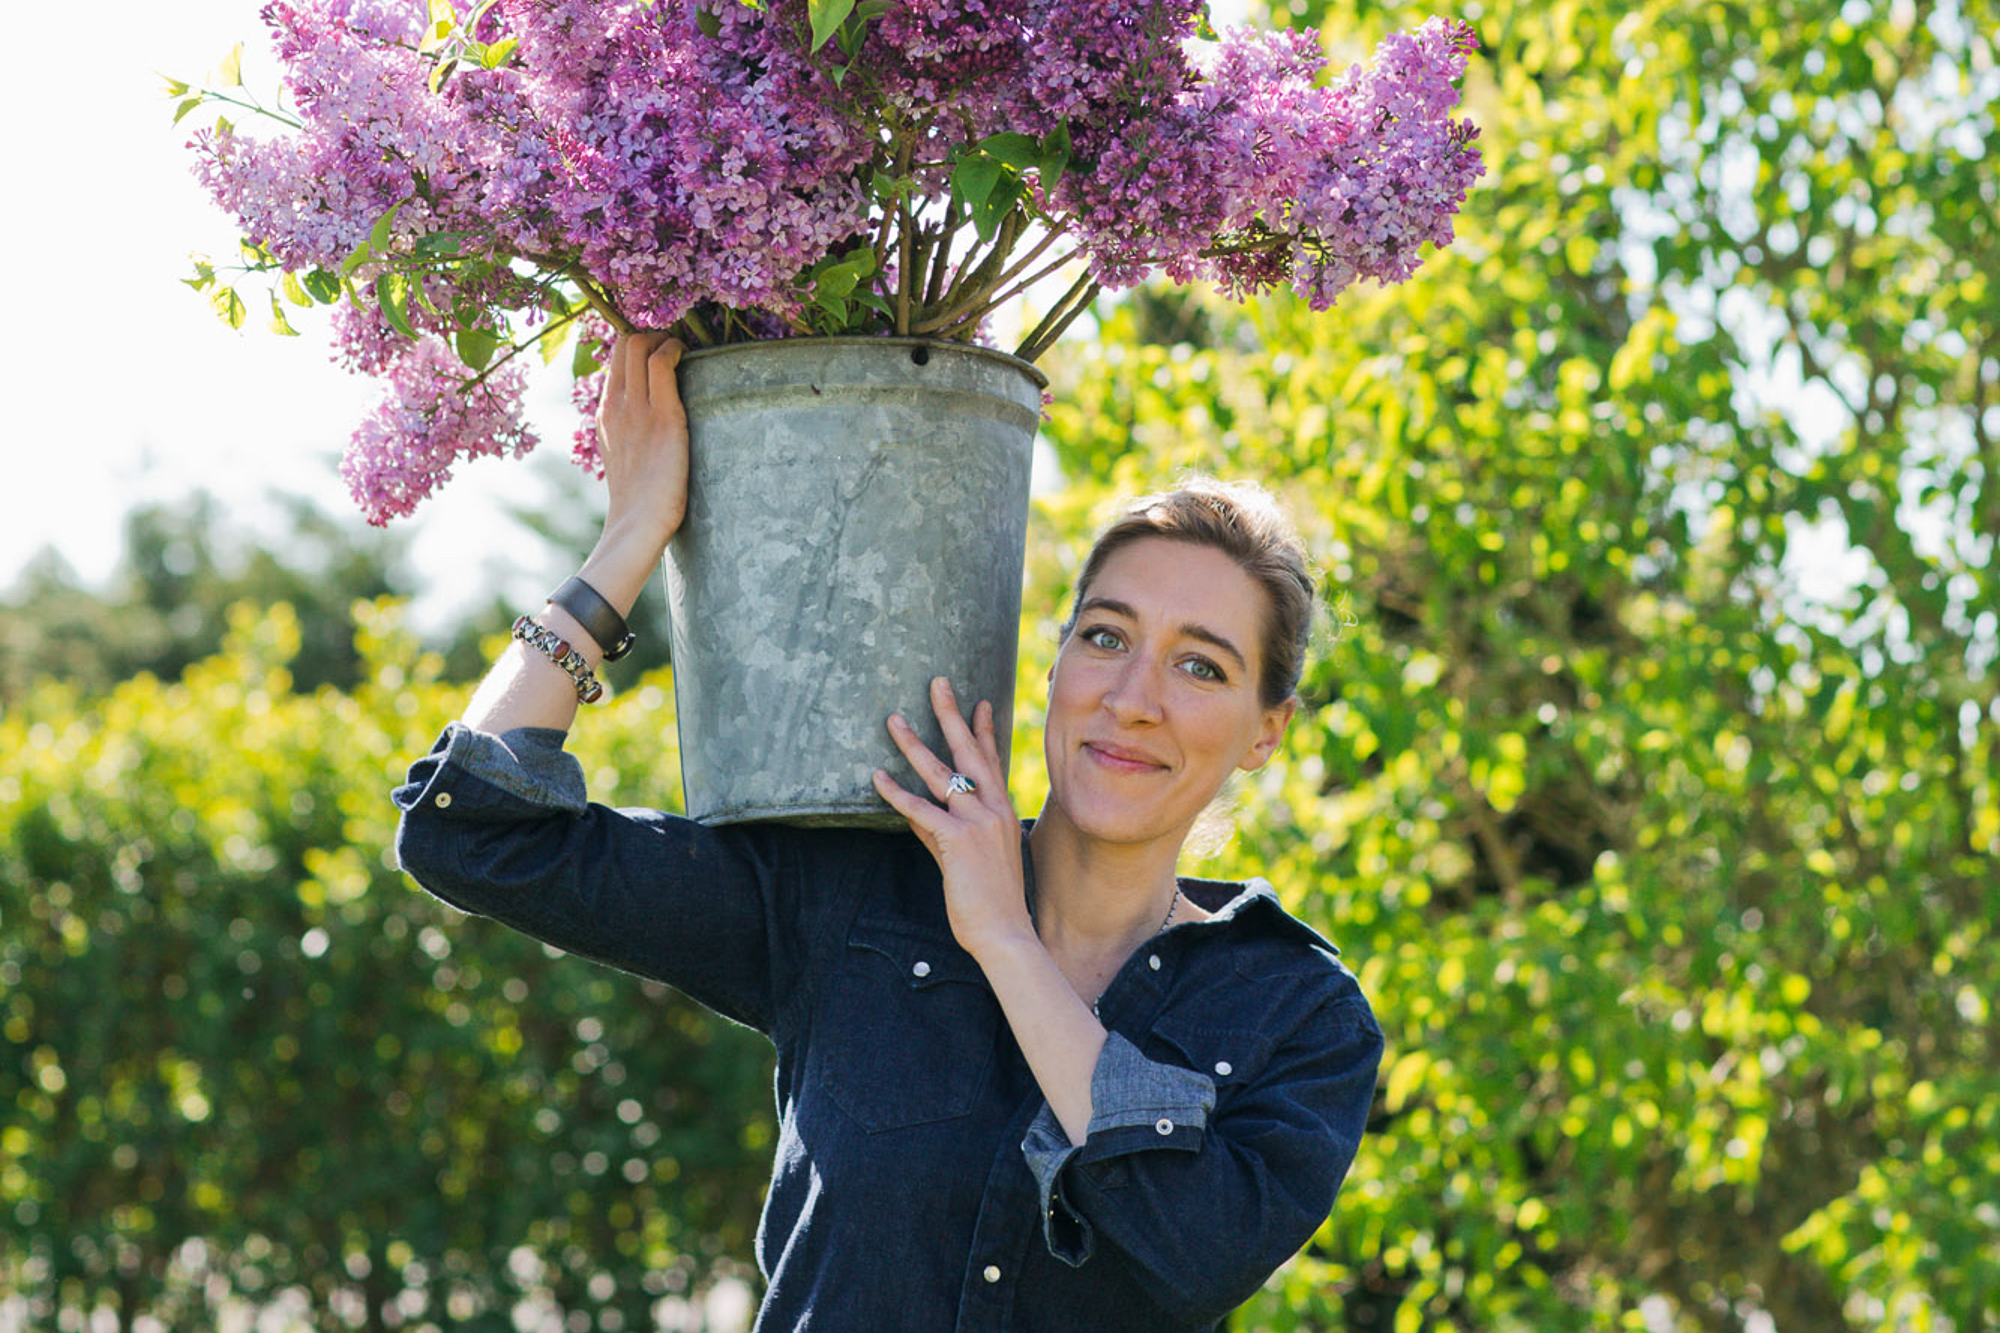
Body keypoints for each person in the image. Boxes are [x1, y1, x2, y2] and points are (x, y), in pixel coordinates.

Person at [392, 331, 1384, 1332]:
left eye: (1200, 665)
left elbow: (1196, 1245)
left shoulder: (1295, 1013)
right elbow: (472, 832)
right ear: (1053, 665)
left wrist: (1001, 935)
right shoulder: (857, 890)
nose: (1131, 698)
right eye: (1105, 636)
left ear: (1265, 732)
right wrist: (635, 531)